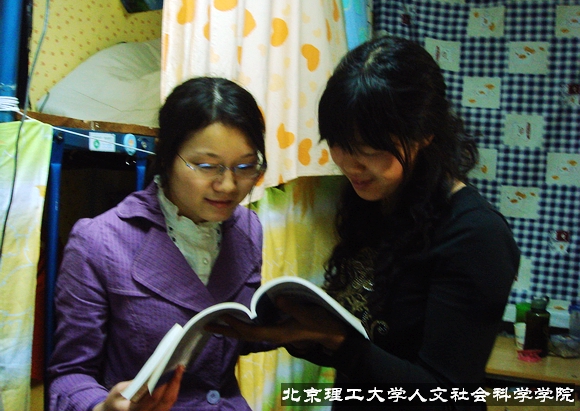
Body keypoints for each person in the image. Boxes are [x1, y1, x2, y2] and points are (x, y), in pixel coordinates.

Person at [207, 36, 520, 409]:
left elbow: (448, 396)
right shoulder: (376, 201)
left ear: (424, 134)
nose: (349, 165)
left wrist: (338, 341)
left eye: (369, 151)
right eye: (339, 145)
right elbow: (370, 345)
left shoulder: (475, 235)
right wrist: (303, 334)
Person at [48, 76, 269, 411]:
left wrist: (301, 331)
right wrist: (101, 406)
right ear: (166, 156)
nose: (227, 185)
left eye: (245, 166)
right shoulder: (99, 242)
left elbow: (227, 342)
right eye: (207, 166)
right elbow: (69, 375)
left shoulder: (248, 229)